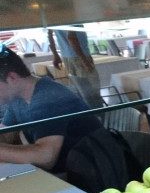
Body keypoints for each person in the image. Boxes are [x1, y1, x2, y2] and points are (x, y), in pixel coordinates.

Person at [0, 45, 102, 173]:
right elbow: (6, 134)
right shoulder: (18, 97)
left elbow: (46, 158)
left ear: (12, 78)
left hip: (87, 173)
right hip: (64, 171)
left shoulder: (49, 98)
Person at [47, 26, 100, 90]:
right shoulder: (73, 19)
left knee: (75, 86)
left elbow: (49, 34)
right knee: (92, 86)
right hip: (80, 55)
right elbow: (71, 38)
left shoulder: (53, 20)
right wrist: (84, 60)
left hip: (66, 57)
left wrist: (55, 54)